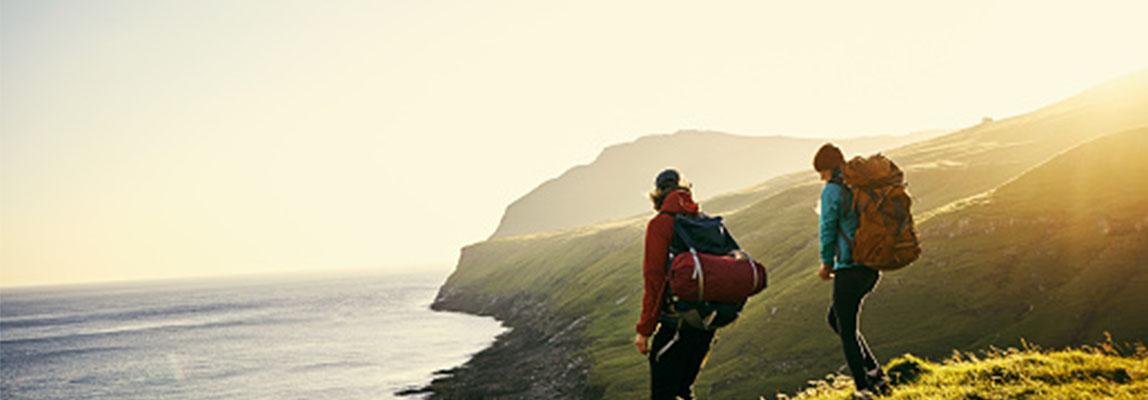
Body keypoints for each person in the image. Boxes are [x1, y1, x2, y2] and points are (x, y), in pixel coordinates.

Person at [813, 143, 890, 397]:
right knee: (836, 319)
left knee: (845, 327)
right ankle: (874, 373)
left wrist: (826, 263)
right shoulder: (857, 187)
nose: (821, 177)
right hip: (871, 266)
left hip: (850, 268)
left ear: (827, 168)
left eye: (821, 172)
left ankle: (864, 388)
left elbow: (827, 229)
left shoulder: (832, 191)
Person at [634, 169, 716, 400]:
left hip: (677, 322)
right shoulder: (702, 220)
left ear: (658, 193)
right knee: (683, 390)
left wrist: (644, 330)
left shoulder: (660, 225)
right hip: (707, 321)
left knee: (663, 393)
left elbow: (654, 279)